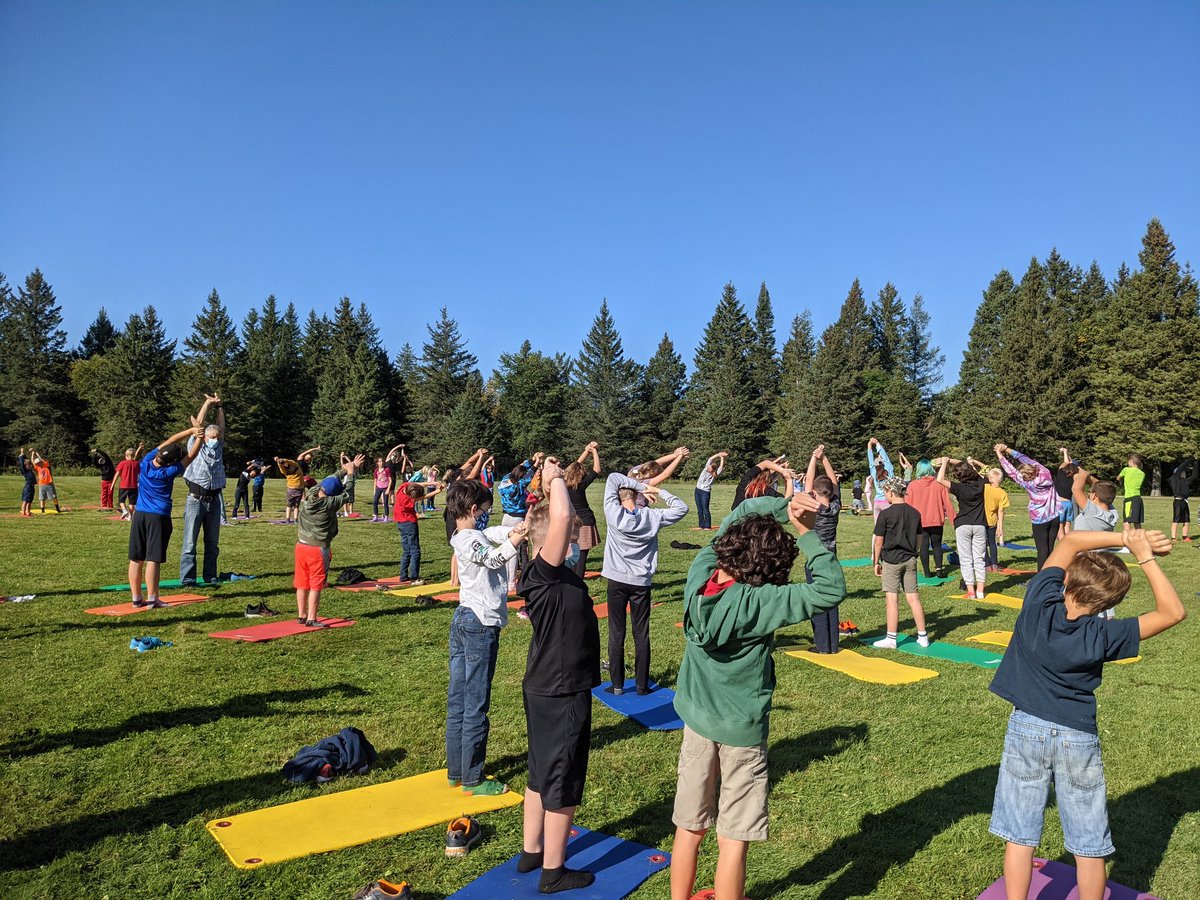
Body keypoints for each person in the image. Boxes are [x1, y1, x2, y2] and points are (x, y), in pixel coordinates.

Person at [986, 524, 1184, 900]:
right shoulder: (1104, 635)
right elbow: (1173, 612)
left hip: (1026, 727)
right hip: (1077, 736)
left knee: (1019, 835)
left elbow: (1072, 541)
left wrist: (1128, 539)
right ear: (1108, 605)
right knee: (1088, 841)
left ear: (1066, 581)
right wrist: (1145, 557)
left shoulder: (1038, 601)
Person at [669, 491, 844, 900]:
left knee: (688, 827)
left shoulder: (700, 573)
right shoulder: (763, 601)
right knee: (733, 836)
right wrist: (804, 530)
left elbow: (741, 512)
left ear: (730, 546)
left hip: (696, 722)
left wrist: (784, 505)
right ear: (772, 566)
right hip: (743, 731)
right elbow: (830, 589)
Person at [518, 457, 602, 894]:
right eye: (568, 539)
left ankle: (532, 850)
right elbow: (564, 517)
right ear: (550, 540)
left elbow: (565, 521)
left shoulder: (545, 575)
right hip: (562, 688)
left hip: (546, 684)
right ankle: (553, 872)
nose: (573, 544)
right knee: (562, 777)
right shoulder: (545, 573)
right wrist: (554, 479)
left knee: (540, 770)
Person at [444, 479, 526, 797]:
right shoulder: (468, 540)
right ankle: (473, 779)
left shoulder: (466, 534)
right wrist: (515, 542)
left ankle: (457, 772)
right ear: (475, 509)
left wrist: (513, 531)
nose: (487, 517)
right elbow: (493, 559)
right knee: (474, 703)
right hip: (479, 624)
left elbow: (491, 534)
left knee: (459, 700)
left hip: (464, 619)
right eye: (486, 511)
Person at [600, 471, 688, 695]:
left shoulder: (613, 512)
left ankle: (617, 685)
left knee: (616, 632)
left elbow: (613, 478)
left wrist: (639, 486)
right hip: (641, 582)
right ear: (636, 495)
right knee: (641, 633)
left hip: (616, 580)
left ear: (619, 497)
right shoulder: (652, 517)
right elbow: (682, 508)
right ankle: (641, 686)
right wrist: (657, 490)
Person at [128, 422, 204, 609]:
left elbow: (170, 440)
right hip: (158, 517)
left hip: (139, 515)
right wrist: (200, 437)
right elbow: (192, 455)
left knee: (136, 558)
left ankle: (136, 599)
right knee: (153, 559)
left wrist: (190, 431)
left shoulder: (145, 461)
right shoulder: (169, 472)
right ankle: (153, 599)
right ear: (170, 462)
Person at [293, 455, 364, 625]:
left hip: (301, 546)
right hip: (318, 549)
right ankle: (311, 618)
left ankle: (302, 615)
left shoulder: (311, 494)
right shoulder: (330, 504)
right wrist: (351, 472)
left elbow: (330, 479)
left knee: (302, 582)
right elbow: (348, 492)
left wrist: (346, 469)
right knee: (316, 584)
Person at [871, 477, 930, 649]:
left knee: (892, 599)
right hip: (910, 559)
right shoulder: (915, 513)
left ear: (891, 492)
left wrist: (876, 561)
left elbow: (878, 541)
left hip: (891, 561)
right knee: (913, 598)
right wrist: (915, 552)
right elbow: (920, 537)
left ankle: (891, 638)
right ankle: (923, 636)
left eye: (885, 492)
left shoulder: (885, 514)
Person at [180, 394, 227, 587]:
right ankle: (188, 579)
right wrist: (207, 403)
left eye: (216, 437)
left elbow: (221, 426)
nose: (214, 439)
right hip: (195, 500)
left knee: (212, 543)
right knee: (190, 543)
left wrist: (219, 406)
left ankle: (210, 576)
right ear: (204, 437)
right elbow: (198, 425)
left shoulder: (219, 448)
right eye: (211, 437)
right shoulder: (196, 446)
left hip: (214, 500)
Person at [996, 444, 1060, 570]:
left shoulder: (1024, 481)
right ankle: (1051, 573)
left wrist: (999, 453)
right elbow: (1025, 458)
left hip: (1039, 519)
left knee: (1042, 550)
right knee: (1050, 548)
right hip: (1054, 515)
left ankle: (1041, 576)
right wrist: (1007, 449)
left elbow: (1009, 469)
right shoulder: (1045, 474)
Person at [805, 444, 843, 654]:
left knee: (818, 599)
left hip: (815, 559)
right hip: (832, 557)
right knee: (832, 599)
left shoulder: (813, 506)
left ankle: (821, 646)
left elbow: (809, 481)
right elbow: (834, 482)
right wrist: (824, 458)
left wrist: (814, 458)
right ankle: (833, 645)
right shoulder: (835, 506)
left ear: (814, 492)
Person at [938, 457, 987, 599]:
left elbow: (940, 479)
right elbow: (985, 469)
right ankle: (980, 591)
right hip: (979, 525)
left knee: (966, 559)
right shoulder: (980, 484)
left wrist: (945, 462)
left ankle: (971, 591)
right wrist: (969, 463)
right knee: (979, 558)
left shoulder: (958, 487)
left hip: (963, 525)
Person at [498, 453, 542, 592]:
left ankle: (504, 578)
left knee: (505, 547)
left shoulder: (505, 481)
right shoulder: (518, 486)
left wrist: (532, 460)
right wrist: (536, 464)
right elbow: (528, 477)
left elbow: (520, 470)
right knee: (513, 551)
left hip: (505, 518)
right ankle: (511, 581)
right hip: (517, 519)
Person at [905, 459, 955, 578]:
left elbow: (907, 505)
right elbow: (947, 503)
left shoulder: (912, 485)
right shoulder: (939, 484)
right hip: (936, 520)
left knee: (923, 546)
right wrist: (954, 520)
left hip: (920, 522)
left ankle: (927, 572)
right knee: (937, 545)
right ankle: (939, 569)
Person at [564, 442, 602, 577]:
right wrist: (594, 451)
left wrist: (586, 451)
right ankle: (577, 582)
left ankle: (570, 580)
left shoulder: (562, 484)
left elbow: (574, 466)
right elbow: (597, 469)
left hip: (570, 523)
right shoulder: (581, 484)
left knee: (570, 554)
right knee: (581, 557)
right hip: (585, 522)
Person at [394, 480, 442, 585]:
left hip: (400, 523)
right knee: (415, 551)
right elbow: (424, 497)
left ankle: (403, 576)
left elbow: (419, 485)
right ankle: (414, 577)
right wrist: (438, 491)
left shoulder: (403, 488)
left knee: (406, 550)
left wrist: (433, 483)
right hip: (410, 524)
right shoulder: (407, 500)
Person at [1069, 468, 1118, 534]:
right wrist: (1089, 478)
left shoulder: (1093, 512)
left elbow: (1076, 489)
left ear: (1094, 495)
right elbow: (1104, 489)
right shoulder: (1113, 514)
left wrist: (1083, 473)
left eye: (1090, 492)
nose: (1088, 494)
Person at [984, 467, 1011, 571]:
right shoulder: (1003, 493)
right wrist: (1000, 528)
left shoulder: (985, 487)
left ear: (990, 478)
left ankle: (987, 564)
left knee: (983, 544)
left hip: (981, 520)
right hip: (993, 521)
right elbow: (1001, 511)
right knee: (992, 542)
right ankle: (994, 564)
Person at [694, 451, 728, 530]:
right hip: (697, 490)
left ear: (712, 470)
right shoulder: (705, 469)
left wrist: (722, 458)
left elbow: (721, 467)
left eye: (709, 468)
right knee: (699, 510)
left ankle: (707, 526)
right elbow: (710, 459)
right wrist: (718, 455)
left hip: (705, 492)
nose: (708, 468)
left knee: (705, 510)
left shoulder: (714, 474)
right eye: (708, 467)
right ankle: (701, 525)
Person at [1053, 448, 1079, 541]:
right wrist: (1068, 455)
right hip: (1069, 504)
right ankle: (1070, 543)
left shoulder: (1060, 473)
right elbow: (1069, 463)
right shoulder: (1074, 478)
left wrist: (1065, 452)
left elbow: (1065, 462)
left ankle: (1063, 545)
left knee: (1060, 527)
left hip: (1060, 504)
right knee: (1067, 526)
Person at [866, 437, 894, 521]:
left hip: (877, 502)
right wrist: (877, 443)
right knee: (889, 525)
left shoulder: (873, 471)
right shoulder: (888, 470)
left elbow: (870, 459)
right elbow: (885, 457)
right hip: (887, 501)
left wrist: (869, 445)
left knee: (877, 527)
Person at [1116, 454, 1146, 530]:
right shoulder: (1142, 473)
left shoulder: (1126, 470)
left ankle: (1127, 537)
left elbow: (1118, 478)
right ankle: (1140, 536)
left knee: (1127, 521)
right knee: (1137, 522)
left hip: (1129, 499)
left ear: (1131, 461)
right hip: (1138, 499)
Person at [113, 445, 143, 520]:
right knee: (132, 502)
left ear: (126, 455)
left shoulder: (122, 463)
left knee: (121, 500)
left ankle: (124, 510)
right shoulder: (137, 463)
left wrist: (113, 484)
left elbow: (117, 474)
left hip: (124, 485)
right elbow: (140, 474)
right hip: (134, 486)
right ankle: (130, 516)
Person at [1168, 458, 1194, 541]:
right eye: (1183, 472)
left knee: (1186, 520)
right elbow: (1181, 467)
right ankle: (1173, 538)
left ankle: (1184, 537)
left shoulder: (1185, 481)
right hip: (1178, 501)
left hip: (1184, 501)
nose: (1184, 473)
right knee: (1176, 519)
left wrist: (1196, 463)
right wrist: (1192, 458)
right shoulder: (1174, 479)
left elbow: (1195, 475)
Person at [275, 455, 306, 523]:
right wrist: (282, 460)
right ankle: (295, 520)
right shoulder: (297, 467)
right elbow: (290, 462)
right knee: (296, 505)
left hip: (291, 488)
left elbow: (281, 467)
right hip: (299, 488)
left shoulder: (285, 472)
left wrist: (278, 462)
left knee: (289, 505)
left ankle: (288, 520)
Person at [29, 449, 61, 514]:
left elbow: (41, 459)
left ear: (41, 462)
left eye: (39, 462)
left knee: (54, 497)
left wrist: (36, 453)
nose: (38, 464)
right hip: (41, 484)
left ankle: (58, 509)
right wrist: (32, 453)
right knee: (42, 498)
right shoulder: (37, 467)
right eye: (37, 463)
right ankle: (42, 510)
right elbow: (32, 461)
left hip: (49, 483)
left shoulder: (46, 465)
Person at [371, 456, 393, 522]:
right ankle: (375, 516)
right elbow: (375, 480)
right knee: (375, 501)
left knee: (385, 502)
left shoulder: (387, 470)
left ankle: (386, 517)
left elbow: (390, 480)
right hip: (378, 487)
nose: (381, 463)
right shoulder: (376, 470)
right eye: (380, 461)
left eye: (382, 461)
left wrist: (388, 489)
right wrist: (374, 490)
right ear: (377, 463)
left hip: (385, 488)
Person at [17, 448, 36, 516]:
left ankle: (28, 512)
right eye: (29, 465)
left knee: (30, 501)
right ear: (26, 466)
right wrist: (21, 453)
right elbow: (22, 463)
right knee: (25, 500)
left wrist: (29, 452)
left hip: (32, 487)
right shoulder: (25, 471)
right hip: (28, 487)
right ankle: (23, 512)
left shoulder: (29, 470)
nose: (31, 465)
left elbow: (26, 460)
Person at [339, 452, 358, 517]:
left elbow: (351, 463)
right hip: (345, 485)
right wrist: (341, 457)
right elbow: (342, 464)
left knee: (351, 499)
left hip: (351, 485)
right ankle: (345, 512)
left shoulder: (352, 468)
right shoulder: (345, 469)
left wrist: (345, 456)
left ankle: (351, 512)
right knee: (345, 499)